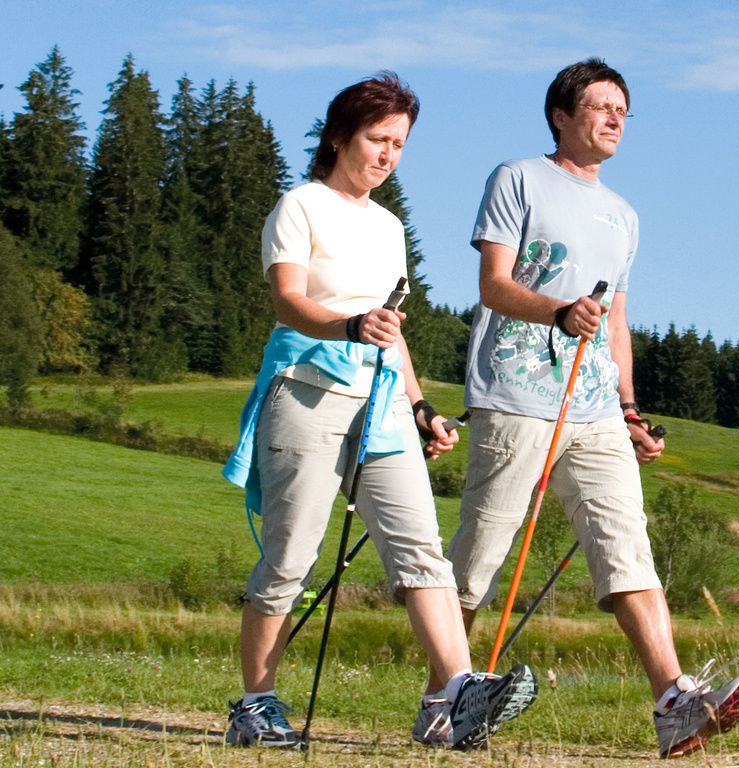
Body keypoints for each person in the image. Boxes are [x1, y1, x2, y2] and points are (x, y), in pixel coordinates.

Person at [448, 58, 739, 759]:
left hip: (593, 411)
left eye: (624, 108)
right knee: (479, 556)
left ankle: (674, 700)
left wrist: (629, 407)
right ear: (561, 114)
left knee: (627, 547)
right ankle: (448, 695)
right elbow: (494, 284)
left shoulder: (624, 215)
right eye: (600, 105)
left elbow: (616, 320)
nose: (616, 117)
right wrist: (558, 312)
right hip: (516, 394)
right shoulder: (517, 178)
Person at [222, 72, 535, 751]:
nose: (389, 154)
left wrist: (421, 408)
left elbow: (392, 331)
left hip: (383, 404)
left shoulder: (390, 227)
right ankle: (254, 706)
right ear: (339, 136)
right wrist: (349, 326)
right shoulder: (300, 206)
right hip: (307, 392)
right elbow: (287, 302)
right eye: (377, 138)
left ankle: (455, 696)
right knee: (290, 559)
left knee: (423, 553)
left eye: (400, 143)